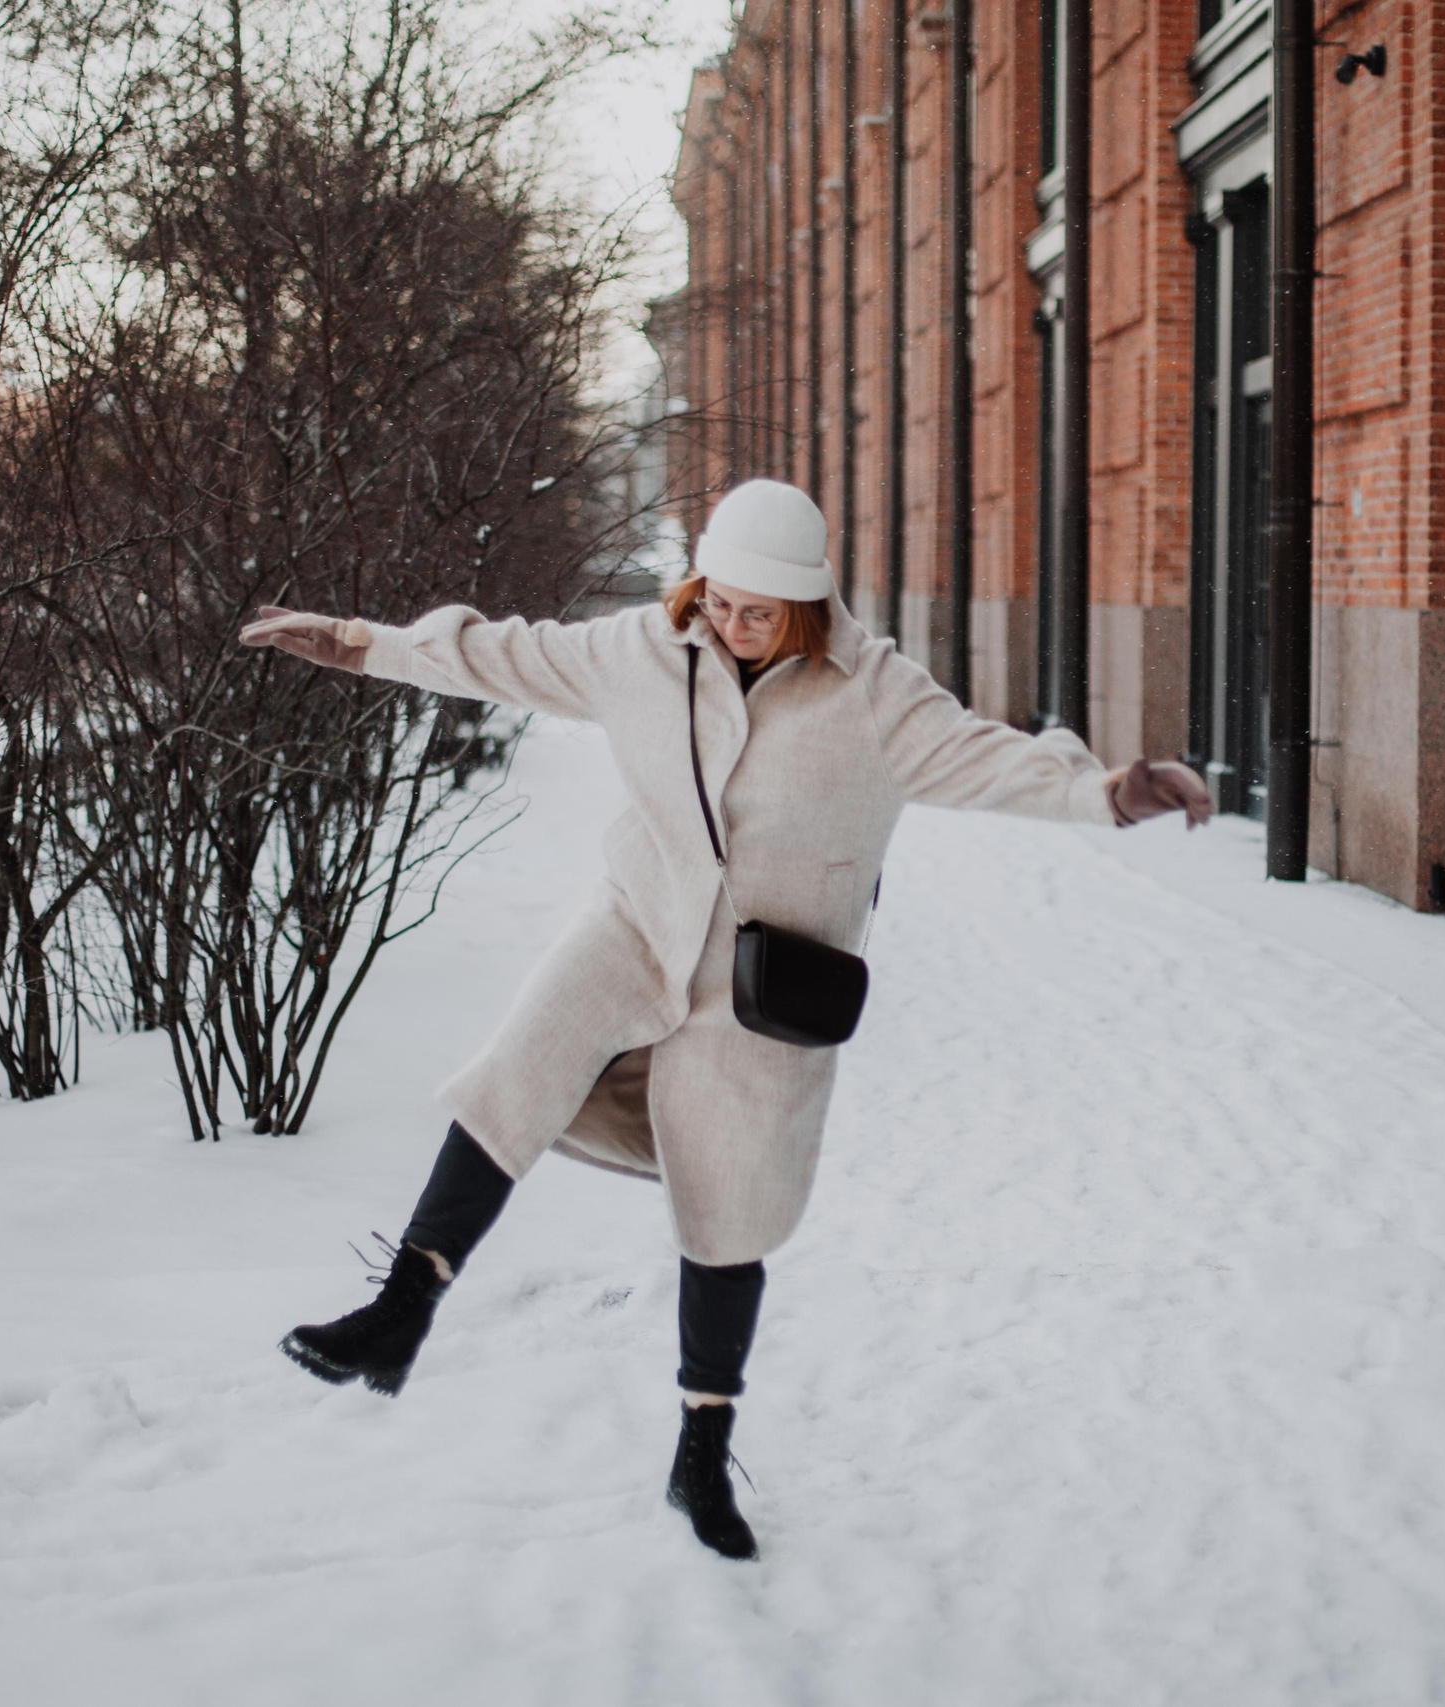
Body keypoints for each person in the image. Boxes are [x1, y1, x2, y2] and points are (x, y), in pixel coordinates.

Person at [237, 479, 1210, 1560]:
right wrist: (358, 644)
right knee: (516, 1070)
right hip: (638, 924)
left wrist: (1111, 791)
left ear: (808, 605)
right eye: (721, 602)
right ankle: (399, 1311)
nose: (733, 625)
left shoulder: (873, 696)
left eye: (759, 612)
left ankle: (702, 1449)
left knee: (729, 1207)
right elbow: (498, 655)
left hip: (762, 981)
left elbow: (991, 758)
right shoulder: (642, 653)